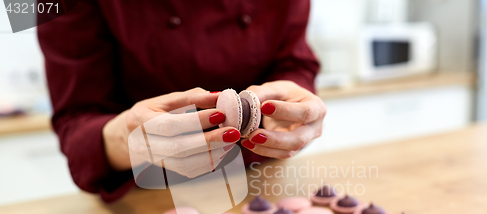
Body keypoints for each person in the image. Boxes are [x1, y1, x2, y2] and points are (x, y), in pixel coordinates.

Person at [38, 0, 326, 203]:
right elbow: (76, 120)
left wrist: (291, 106)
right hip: (147, 197)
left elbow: (294, 61)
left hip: (262, 180)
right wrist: (129, 134)